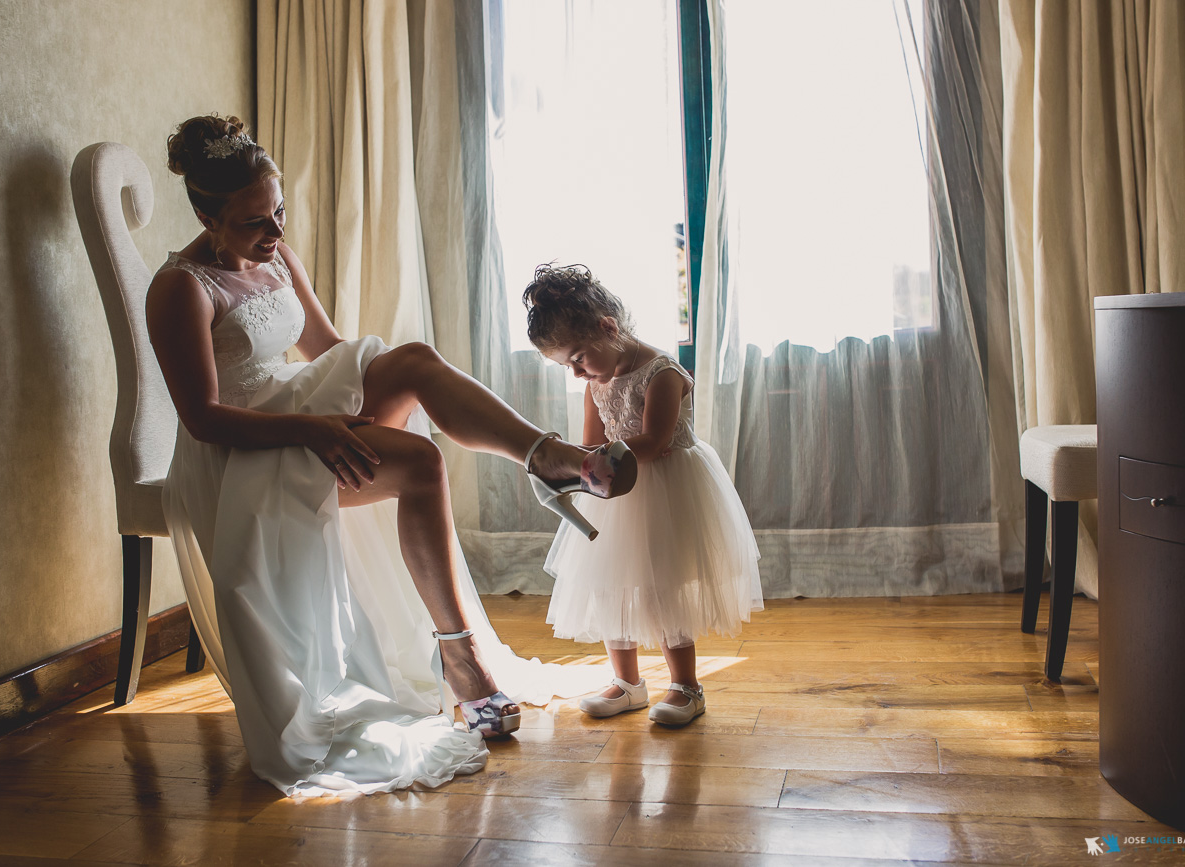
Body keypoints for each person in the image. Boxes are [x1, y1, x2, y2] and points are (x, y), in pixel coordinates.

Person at [146, 115, 634, 796]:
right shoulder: (181, 288)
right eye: (258, 222)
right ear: (208, 214)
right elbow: (200, 420)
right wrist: (316, 428)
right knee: (421, 465)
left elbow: (326, 350)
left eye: (280, 212)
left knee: (412, 361)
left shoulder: (277, 258)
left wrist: (360, 401)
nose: (278, 234)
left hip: (299, 412)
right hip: (244, 457)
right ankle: (462, 664)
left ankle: (550, 456)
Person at [523, 264, 763, 725]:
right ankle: (628, 684)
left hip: (665, 489)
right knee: (611, 586)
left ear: (606, 328)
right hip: (615, 493)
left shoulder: (662, 372)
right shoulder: (597, 381)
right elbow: (591, 441)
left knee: (661, 590)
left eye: (577, 359)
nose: (576, 374)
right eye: (566, 366)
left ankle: (686, 687)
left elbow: (654, 442)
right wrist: (565, 461)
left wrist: (596, 457)